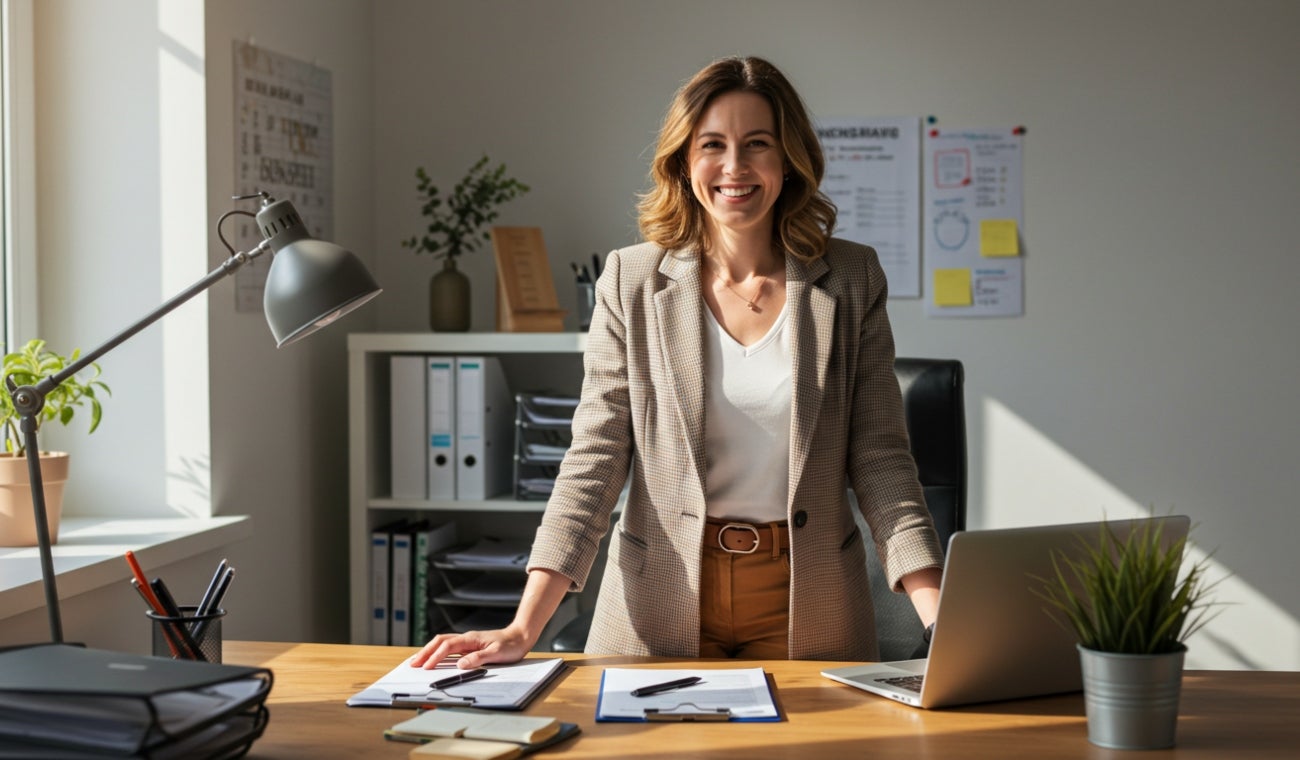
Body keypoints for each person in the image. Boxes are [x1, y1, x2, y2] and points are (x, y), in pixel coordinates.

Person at [414, 55, 943, 669]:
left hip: (810, 600)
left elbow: (881, 461)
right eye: (712, 144)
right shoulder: (631, 281)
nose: (734, 167)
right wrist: (523, 626)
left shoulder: (851, 279)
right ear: (684, 160)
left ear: (788, 159)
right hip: (661, 595)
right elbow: (597, 454)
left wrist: (941, 620)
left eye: (757, 144)